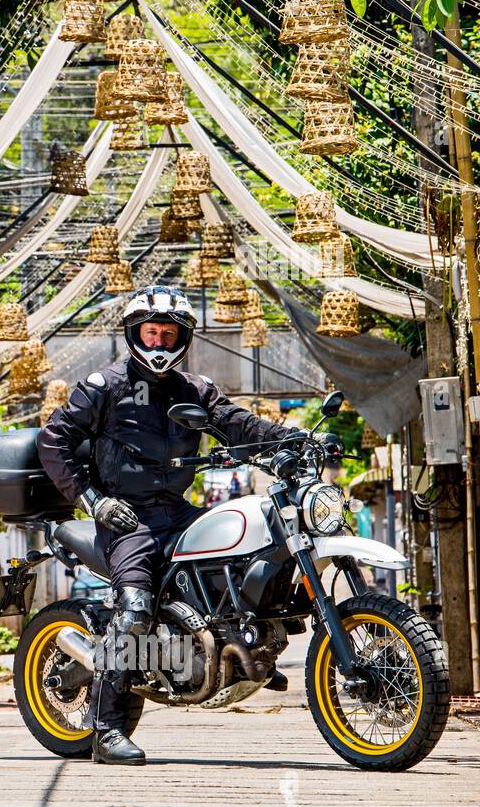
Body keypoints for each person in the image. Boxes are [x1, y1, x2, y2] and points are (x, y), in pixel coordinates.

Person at [36, 286, 306, 765]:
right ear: (134, 333)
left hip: (177, 508)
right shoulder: (103, 385)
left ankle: (245, 654)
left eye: (167, 334)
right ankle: (106, 728)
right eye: (151, 332)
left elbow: (238, 424)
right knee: (134, 610)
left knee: (244, 551)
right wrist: (93, 501)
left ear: (181, 337)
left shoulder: (194, 390)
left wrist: (294, 437)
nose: (159, 342)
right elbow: (55, 440)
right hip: (125, 516)